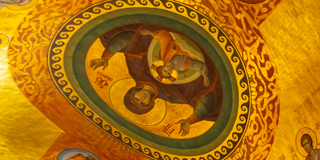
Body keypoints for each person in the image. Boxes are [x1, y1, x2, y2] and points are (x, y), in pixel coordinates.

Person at [89, 24, 221, 136]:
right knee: (213, 112)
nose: (141, 99)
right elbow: (204, 98)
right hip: (200, 55)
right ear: (150, 104)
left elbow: (129, 41)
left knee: (108, 37)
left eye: (136, 99)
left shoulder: (136, 70)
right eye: (143, 103)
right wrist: (190, 120)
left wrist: (106, 57)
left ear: (133, 91)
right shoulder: (171, 96)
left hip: (171, 35)